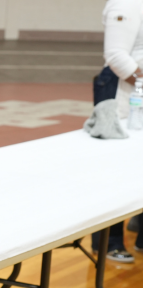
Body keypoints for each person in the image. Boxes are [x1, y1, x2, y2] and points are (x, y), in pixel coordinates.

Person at [90, 0, 143, 263]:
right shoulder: (126, 3)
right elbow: (116, 56)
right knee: (114, 171)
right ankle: (108, 243)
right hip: (122, 94)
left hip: (137, 93)